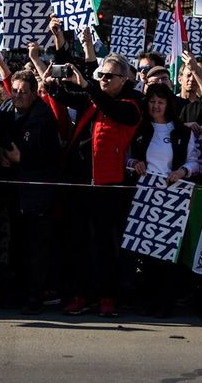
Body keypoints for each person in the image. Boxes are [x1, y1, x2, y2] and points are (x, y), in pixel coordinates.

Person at [46, 54, 142, 319]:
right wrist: (53, 84)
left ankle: (107, 296)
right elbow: (67, 98)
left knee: (104, 245)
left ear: (124, 79)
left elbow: (115, 111)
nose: (102, 80)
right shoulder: (93, 97)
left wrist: (87, 85)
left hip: (107, 185)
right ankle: (81, 293)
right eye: (100, 75)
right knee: (78, 241)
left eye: (108, 76)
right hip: (79, 182)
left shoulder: (132, 103)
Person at [130, 82, 202, 316]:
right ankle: (146, 300)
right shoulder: (139, 129)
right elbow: (126, 157)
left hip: (174, 197)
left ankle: (166, 302)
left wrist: (182, 172)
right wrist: (133, 164)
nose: (155, 106)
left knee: (169, 253)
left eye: (160, 102)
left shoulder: (182, 131)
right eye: (152, 101)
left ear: (168, 104)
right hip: (145, 195)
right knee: (146, 252)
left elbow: (195, 162)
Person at [0, 68, 66, 314]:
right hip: (13, 188)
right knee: (16, 243)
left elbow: (50, 156)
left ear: (34, 94)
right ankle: (17, 291)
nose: (17, 96)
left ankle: (35, 296)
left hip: (37, 191)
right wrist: (2, 155)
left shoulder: (44, 118)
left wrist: (21, 158)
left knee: (37, 247)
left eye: (23, 93)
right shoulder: (6, 109)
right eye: (14, 91)